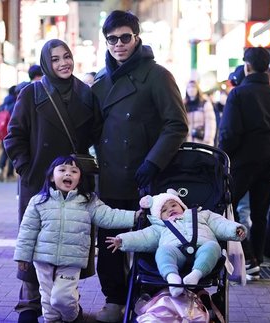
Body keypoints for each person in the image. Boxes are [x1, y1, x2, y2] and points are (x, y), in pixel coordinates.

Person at [91, 10, 188, 322]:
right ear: (105, 42)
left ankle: (147, 295)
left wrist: (152, 162)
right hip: (108, 177)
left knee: (148, 242)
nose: (118, 45)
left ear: (136, 38)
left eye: (125, 38)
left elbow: (177, 125)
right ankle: (114, 299)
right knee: (108, 246)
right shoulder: (100, 82)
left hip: (147, 180)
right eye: (112, 39)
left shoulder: (158, 75)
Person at [4, 39, 103, 323]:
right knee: (36, 240)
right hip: (39, 181)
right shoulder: (32, 92)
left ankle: (68, 302)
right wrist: (28, 170)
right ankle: (29, 303)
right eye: (56, 59)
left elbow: (95, 136)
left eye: (67, 57)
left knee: (69, 240)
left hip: (74, 180)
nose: (63, 63)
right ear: (47, 62)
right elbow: (14, 135)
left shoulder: (86, 94)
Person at [14, 156, 139, 322]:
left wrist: (135, 217)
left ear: (79, 179)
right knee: (47, 301)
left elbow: (109, 216)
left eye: (74, 171)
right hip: (43, 260)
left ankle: (72, 317)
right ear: (51, 176)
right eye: (62, 170)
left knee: (61, 298)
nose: (68, 174)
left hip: (71, 260)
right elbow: (27, 231)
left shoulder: (88, 201)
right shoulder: (39, 201)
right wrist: (22, 256)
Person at [106, 189, 246, 296]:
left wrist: (235, 229)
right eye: (164, 210)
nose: (171, 209)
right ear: (158, 216)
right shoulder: (159, 227)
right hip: (176, 252)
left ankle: (196, 274)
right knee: (162, 251)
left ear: (182, 206)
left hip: (203, 246)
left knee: (213, 247)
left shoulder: (202, 215)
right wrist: (123, 240)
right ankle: (172, 278)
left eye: (174, 205)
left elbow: (220, 224)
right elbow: (142, 237)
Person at [218, 47, 270, 280]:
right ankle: (259, 260)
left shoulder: (238, 94)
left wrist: (222, 158)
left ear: (247, 66)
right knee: (260, 213)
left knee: (227, 208)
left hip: (241, 163)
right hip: (267, 162)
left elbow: (228, 133)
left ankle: (248, 257)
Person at [0, 86, 17, 182]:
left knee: (4, 152)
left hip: (3, 132)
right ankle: (9, 174)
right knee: (12, 153)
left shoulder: (4, 104)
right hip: (11, 132)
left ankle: (0, 168)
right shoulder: (16, 103)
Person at [184, 80, 216, 146]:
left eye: (193, 87)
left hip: (202, 143)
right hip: (188, 143)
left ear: (197, 89)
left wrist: (207, 142)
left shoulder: (205, 104)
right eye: (189, 87)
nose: (191, 89)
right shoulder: (184, 105)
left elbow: (210, 124)